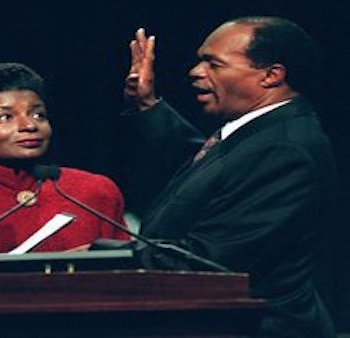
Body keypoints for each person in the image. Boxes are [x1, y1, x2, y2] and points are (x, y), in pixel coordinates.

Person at [111, 16, 338, 337]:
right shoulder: (262, 134)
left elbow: (211, 261)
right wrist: (147, 105)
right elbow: (207, 168)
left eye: (213, 64)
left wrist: (105, 255)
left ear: (271, 75)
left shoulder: (286, 150)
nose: (195, 71)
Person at [0, 62, 129, 253]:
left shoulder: (93, 191)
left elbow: (125, 274)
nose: (29, 125)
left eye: (38, 114)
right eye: (5, 117)